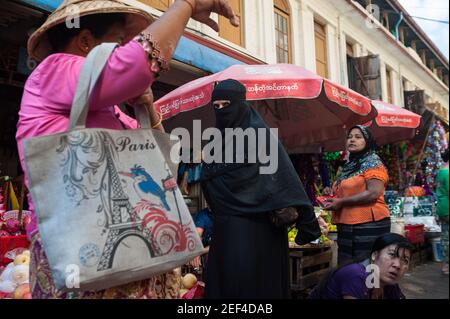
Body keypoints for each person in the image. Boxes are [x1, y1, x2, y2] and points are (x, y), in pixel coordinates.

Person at [16, 0, 239, 299]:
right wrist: (186, 6)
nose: (124, 49)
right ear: (84, 42)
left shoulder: (107, 108)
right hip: (82, 259)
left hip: (126, 258)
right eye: (119, 42)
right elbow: (135, 65)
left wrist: (146, 106)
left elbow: (161, 155)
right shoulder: (54, 70)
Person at [200, 79, 321, 299]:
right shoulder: (214, 143)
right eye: (215, 107)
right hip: (229, 229)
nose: (221, 111)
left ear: (239, 103)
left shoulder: (260, 136)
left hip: (262, 231)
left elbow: (284, 179)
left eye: (226, 104)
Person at [324, 125, 391, 265]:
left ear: (367, 141)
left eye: (358, 137)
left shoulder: (373, 162)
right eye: (349, 137)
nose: (352, 140)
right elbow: (346, 191)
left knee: (367, 269)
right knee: (348, 269)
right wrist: (331, 194)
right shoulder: (348, 166)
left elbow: (373, 193)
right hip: (346, 225)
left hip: (369, 225)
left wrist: (341, 202)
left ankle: (371, 288)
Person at [309, 233, 412, 299]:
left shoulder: (389, 285)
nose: (398, 265)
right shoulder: (355, 275)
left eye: (405, 260)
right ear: (374, 255)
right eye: (392, 255)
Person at [436, 148, 449, 275]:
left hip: (442, 207)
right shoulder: (448, 172)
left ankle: (446, 266)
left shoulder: (442, 171)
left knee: (446, 237)